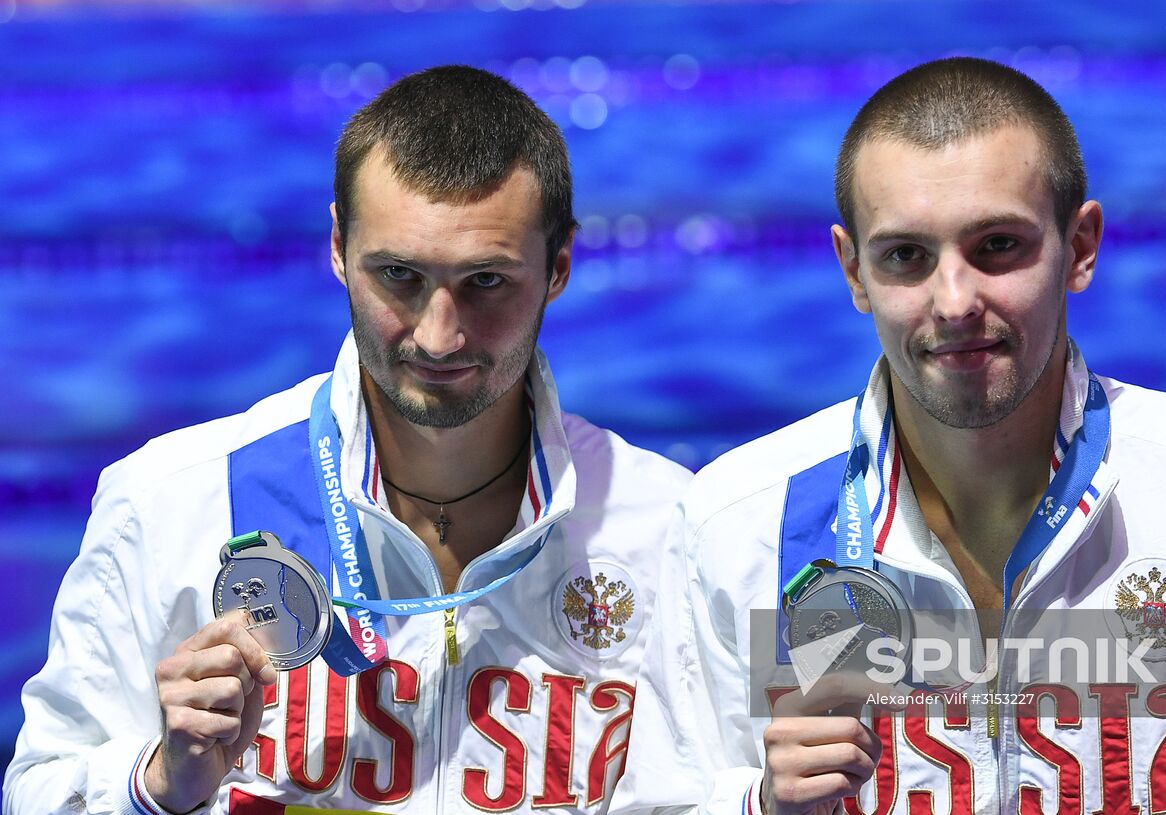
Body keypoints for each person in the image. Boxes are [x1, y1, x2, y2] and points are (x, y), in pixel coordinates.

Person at [614, 57, 1166, 815]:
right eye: (906, 257)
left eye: (997, 246)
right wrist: (759, 804)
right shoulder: (735, 524)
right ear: (853, 271)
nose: (954, 300)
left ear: (1080, 248)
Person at [4, 65, 690, 815]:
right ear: (337, 247)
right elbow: (41, 789)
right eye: (398, 275)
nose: (439, 334)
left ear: (559, 265)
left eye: (486, 281)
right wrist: (158, 785)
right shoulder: (173, 499)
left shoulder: (670, 527)